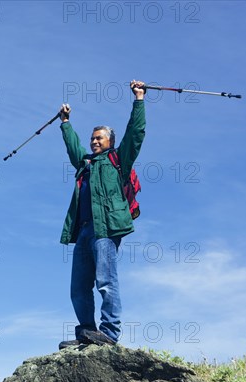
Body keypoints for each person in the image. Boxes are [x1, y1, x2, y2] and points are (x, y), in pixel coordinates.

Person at [58, 80, 146, 349]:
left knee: (106, 281)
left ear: (110, 142)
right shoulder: (85, 165)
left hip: (106, 229)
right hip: (84, 230)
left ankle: (109, 333)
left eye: (99, 138)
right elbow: (74, 149)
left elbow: (136, 132)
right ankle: (87, 331)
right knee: (78, 287)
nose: (94, 141)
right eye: (92, 138)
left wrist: (139, 100)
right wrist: (65, 123)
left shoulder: (118, 160)